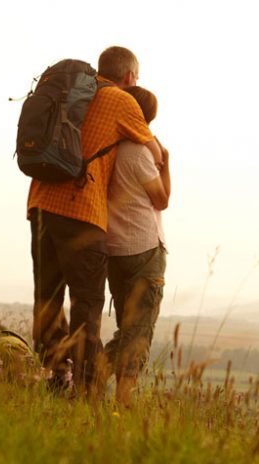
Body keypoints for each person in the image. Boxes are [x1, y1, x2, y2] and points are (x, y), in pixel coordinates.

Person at [27, 46, 163, 395]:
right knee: (87, 303)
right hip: (82, 209)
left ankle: (57, 376)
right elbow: (154, 150)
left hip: (41, 202)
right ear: (130, 77)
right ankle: (86, 388)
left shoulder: (72, 91)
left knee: (48, 296)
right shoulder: (122, 102)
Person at [104, 86, 170, 407]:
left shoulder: (108, 148)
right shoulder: (140, 153)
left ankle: (83, 382)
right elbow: (162, 199)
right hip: (144, 248)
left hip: (113, 250)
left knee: (126, 329)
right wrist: (166, 163)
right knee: (139, 333)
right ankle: (123, 403)